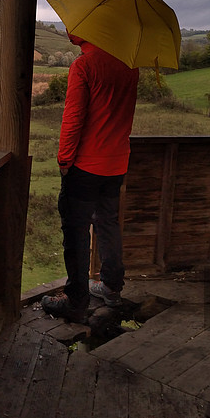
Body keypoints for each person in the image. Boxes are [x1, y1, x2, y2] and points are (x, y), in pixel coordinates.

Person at [41, 32, 140, 323]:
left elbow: (73, 117)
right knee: (108, 224)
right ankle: (111, 287)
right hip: (117, 163)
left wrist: (64, 160)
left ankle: (75, 301)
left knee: (76, 232)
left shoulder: (84, 66)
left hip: (85, 166)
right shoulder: (129, 66)